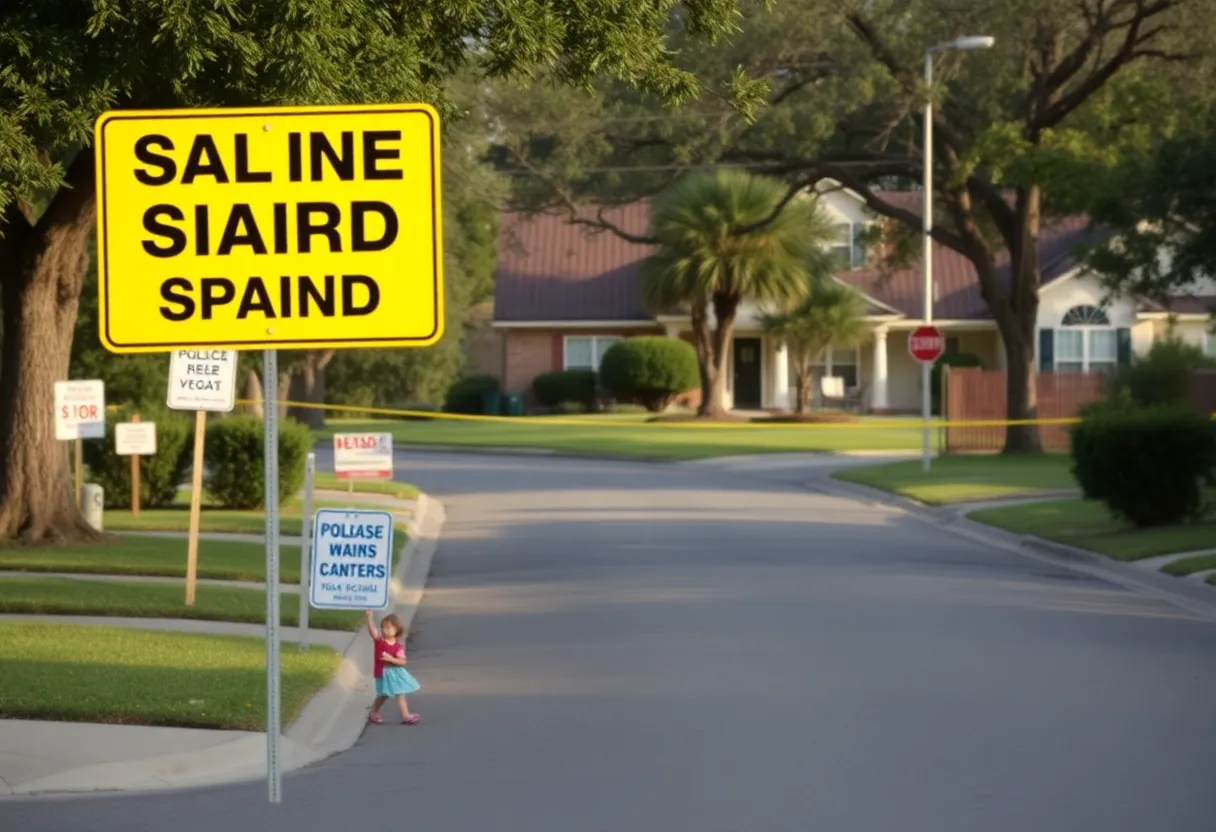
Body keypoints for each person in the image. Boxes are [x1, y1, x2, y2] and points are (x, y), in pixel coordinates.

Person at [365, 610, 421, 725]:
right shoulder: (380, 641)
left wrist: (391, 659)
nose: (386, 630)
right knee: (383, 694)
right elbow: (373, 632)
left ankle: (405, 715)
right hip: (383, 673)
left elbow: (402, 661)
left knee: (400, 693)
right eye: (384, 627)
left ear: (396, 630)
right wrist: (369, 618)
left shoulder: (397, 646)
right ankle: (373, 712)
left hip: (395, 673)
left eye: (389, 627)